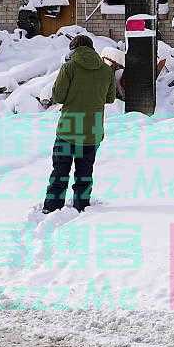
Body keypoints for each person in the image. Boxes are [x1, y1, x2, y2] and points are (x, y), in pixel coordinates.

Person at [42, 34, 116, 213]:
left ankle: (51, 207)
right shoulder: (107, 70)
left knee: (60, 171)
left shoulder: (69, 67)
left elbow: (58, 96)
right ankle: (82, 207)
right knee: (84, 174)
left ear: (73, 50)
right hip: (92, 130)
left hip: (68, 128)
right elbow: (110, 98)